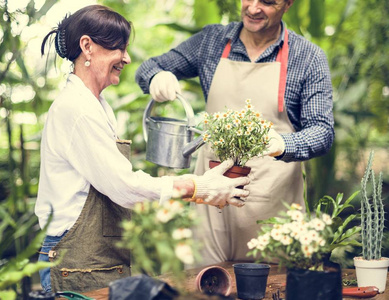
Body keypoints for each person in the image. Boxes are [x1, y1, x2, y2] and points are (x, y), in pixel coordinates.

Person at [36, 4, 250, 293]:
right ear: (87, 46)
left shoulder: (96, 105)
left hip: (97, 259)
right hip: (75, 262)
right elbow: (125, 187)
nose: (125, 58)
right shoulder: (76, 110)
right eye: (118, 48)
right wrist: (198, 187)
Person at [135, 0, 334, 266]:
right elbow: (148, 67)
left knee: (270, 289)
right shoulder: (212, 42)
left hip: (271, 208)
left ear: (287, 4)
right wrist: (156, 78)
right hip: (211, 200)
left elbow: (322, 132)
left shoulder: (307, 57)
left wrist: (281, 144)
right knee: (204, 287)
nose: (253, 8)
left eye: (267, 2)